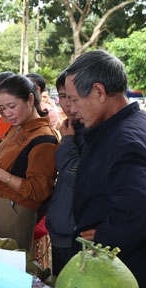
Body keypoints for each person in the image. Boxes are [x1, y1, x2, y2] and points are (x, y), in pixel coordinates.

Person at [65, 49, 146, 288]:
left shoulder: (125, 140)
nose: (70, 108)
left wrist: (104, 237)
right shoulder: (137, 122)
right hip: (115, 269)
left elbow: (142, 214)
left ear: (99, 92)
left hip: (119, 272)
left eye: (74, 99)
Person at [0, 74, 58, 255]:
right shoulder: (18, 127)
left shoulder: (44, 138)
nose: (7, 113)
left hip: (16, 211)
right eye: (2, 108)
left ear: (31, 99)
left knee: (9, 266)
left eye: (12, 106)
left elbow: (39, 191)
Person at [45, 70, 86, 275]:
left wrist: (67, 142)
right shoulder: (73, 128)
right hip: (62, 228)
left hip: (77, 235)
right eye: (63, 96)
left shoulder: (90, 131)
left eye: (73, 97)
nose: (68, 104)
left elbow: (75, 175)